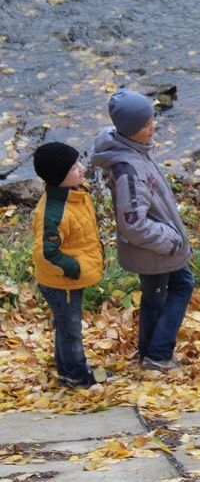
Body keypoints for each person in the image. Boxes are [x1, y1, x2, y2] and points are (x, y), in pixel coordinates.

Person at [91, 90, 194, 371]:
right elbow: (133, 223)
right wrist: (172, 241)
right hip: (155, 250)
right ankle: (156, 355)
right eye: (146, 125)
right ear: (130, 131)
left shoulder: (134, 150)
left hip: (157, 248)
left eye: (152, 120)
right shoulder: (129, 169)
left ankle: (151, 354)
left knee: (160, 297)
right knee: (169, 293)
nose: (153, 127)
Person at [32, 143, 108, 388]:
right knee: (71, 329)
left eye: (79, 163)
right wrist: (74, 268)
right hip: (61, 282)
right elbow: (47, 253)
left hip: (66, 280)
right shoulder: (55, 212)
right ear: (58, 178)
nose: (82, 169)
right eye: (74, 168)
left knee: (66, 326)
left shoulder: (73, 193)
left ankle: (67, 370)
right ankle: (76, 374)